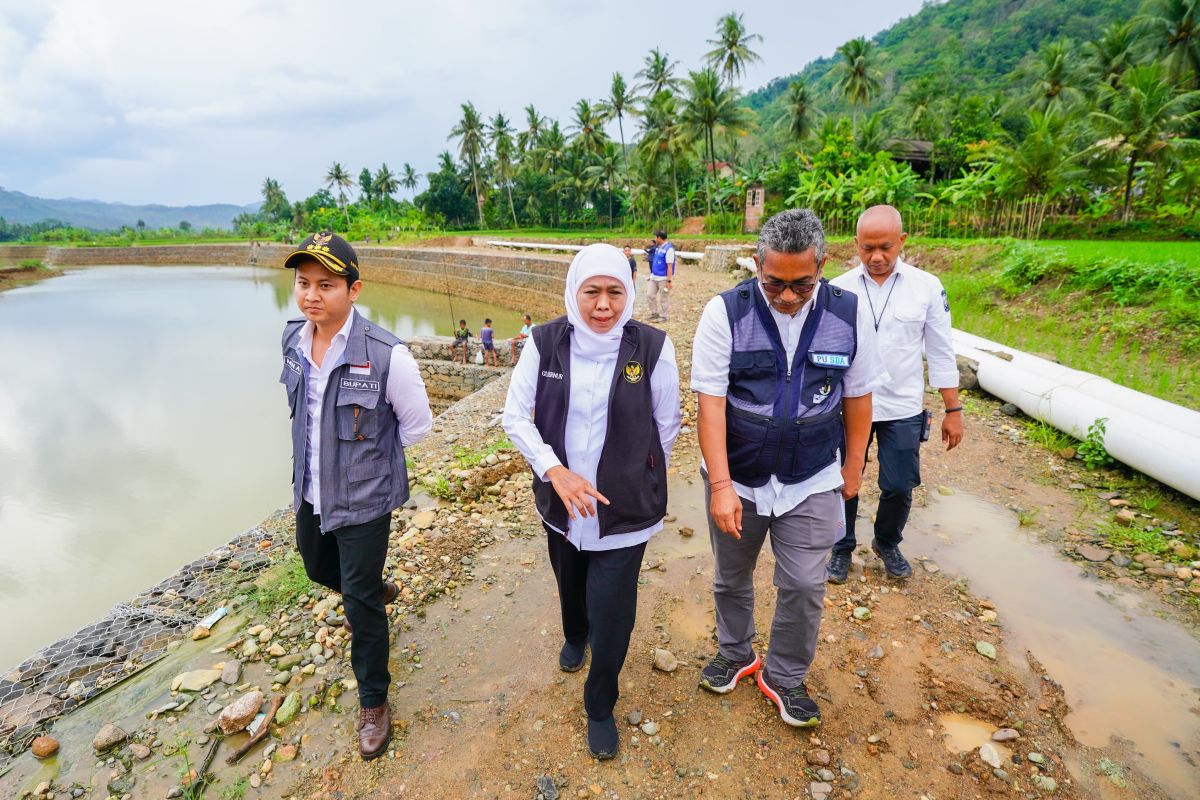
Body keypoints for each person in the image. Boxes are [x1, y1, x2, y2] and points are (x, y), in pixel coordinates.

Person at [691, 209, 886, 728]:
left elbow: (859, 396)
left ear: (822, 266)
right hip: (740, 477)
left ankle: (784, 675)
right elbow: (710, 404)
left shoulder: (848, 314)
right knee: (731, 576)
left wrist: (854, 467)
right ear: (757, 264)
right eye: (774, 282)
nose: (787, 296)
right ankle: (735, 653)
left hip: (813, 476)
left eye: (802, 284)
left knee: (803, 584)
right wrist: (721, 485)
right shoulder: (725, 313)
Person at [503, 243, 681, 760]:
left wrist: (636, 474)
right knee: (569, 580)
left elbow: (667, 423)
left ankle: (600, 703)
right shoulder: (544, 343)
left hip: (625, 511)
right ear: (573, 291)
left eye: (614, 292)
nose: (603, 305)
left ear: (629, 293)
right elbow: (515, 416)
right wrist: (554, 470)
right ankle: (574, 634)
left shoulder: (653, 347)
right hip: (560, 502)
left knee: (615, 612)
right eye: (592, 292)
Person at [278, 231, 433, 758]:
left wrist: (368, 466)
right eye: (304, 283)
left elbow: (417, 426)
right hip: (311, 491)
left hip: (365, 501)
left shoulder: (388, 356)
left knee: (360, 606)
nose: (311, 295)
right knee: (316, 566)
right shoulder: (292, 341)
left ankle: (374, 702)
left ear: (354, 289)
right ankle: (371, 589)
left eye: (326, 284)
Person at [826, 205, 963, 583]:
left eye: (885, 247)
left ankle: (886, 542)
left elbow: (940, 351)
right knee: (842, 479)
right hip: (848, 406)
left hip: (902, 406)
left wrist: (953, 409)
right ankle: (841, 546)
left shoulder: (926, 287)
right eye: (867, 248)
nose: (876, 257)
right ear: (855, 243)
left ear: (902, 241)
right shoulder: (838, 289)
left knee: (900, 485)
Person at [646, 229, 675, 322]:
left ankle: (664, 316)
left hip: (663, 278)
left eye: (655, 237)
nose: (654, 238)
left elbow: (670, 266)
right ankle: (654, 313)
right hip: (654, 277)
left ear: (659, 238)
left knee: (663, 298)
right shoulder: (658, 247)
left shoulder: (669, 249)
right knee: (650, 295)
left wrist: (669, 281)